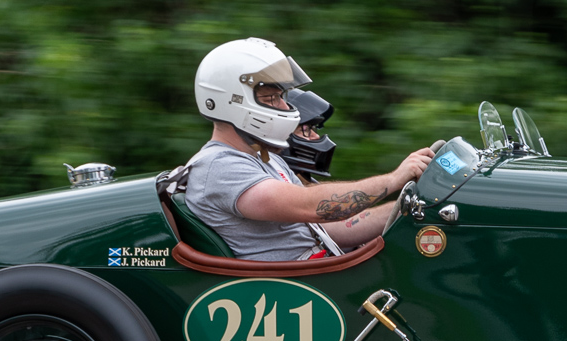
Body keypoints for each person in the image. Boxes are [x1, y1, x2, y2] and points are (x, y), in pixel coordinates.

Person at [183, 38, 433, 260]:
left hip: (323, 276)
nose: (285, 106)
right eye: (272, 99)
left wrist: (408, 206)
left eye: (281, 96)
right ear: (233, 101)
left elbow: (333, 225)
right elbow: (312, 206)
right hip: (293, 292)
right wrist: (395, 179)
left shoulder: (266, 159)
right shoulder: (219, 166)